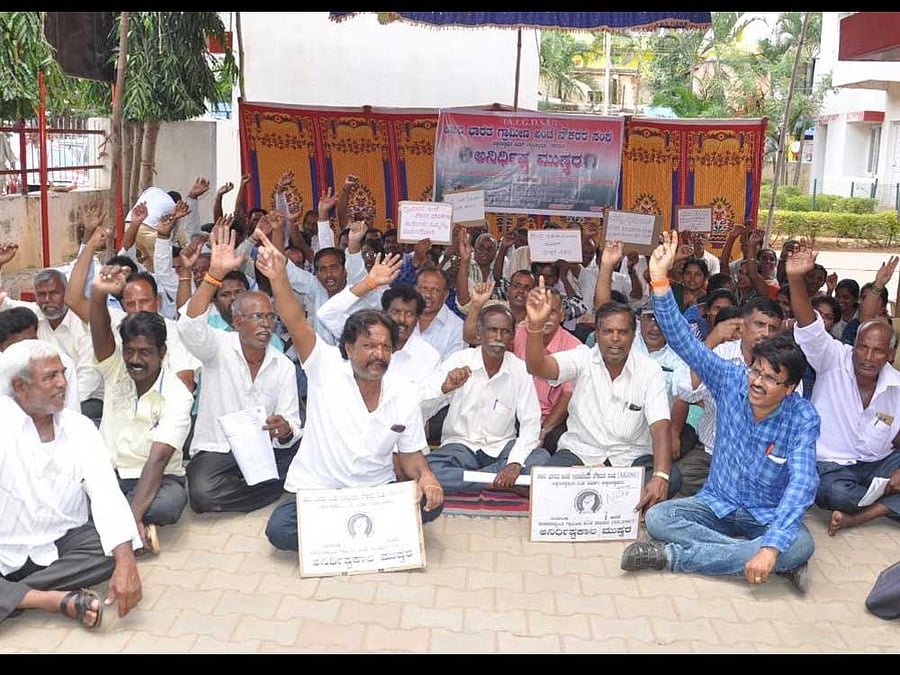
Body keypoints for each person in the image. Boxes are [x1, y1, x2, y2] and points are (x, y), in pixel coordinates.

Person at [621, 231, 820, 595]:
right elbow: (684, 342)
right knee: (661, 516)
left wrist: (773, 543)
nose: (757, 382)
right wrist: (661, 281)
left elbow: (803, 484)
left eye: (771, 379)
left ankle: (672, 558)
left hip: (766, 514)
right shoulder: (732, 379)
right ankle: (767, 561)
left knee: (800, 543)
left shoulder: (803, 417)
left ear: (790, 388)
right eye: (756, 371)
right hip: (717, 504)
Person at [248, 233, 443, 552]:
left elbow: (410, 454)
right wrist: (279, 277)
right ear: (349, 348)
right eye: (368, 346)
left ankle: (344, 533)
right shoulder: (324, 367)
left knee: (433, 503)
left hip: (373, 490)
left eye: (384, 346)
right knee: (280, 530)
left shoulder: (403, 391)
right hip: (319, 490)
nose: (377, 354)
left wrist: (427, 477)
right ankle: (364, 533)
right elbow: (296, 321)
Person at [0, 340, 143, 629]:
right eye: (50, 377)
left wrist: (126, 561)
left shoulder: (80, 428)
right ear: (20, 386)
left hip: (62, 543)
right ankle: (50, 600)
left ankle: (16, 595)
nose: (62, 383)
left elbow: (106, 494)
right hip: (4, 546)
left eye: (63, 373)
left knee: (111, 549)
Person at [523, 271, 677, 512]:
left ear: (632, 335)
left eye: (622, 332)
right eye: (607, 332)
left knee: (671, 478)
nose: (615, 339)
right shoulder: (582, 358)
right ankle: (617, 498)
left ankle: (610, 493)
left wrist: (660, 475)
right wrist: (535, 325)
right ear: (597, 333)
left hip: (631, 458)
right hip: (581, 452)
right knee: (546, 481)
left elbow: (660, 426)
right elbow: (538, 366)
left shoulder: (650, 370)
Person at [177, 222, 302, 514]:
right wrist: (214, 275)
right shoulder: (217, 347)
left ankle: (260, 483)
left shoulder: (282, 365)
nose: (266, 324)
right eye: (256, 317)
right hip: (220, 447)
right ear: (237, 322)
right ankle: (270, 488)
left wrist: (284, 429)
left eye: (270, 318)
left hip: (266, 449)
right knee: (202, 497)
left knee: (306, 454)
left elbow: (293, 422)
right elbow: (189, 327)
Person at [787, 242, 900, 535]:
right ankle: (883, 499)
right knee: (835, 495)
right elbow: (808, 323)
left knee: (860, 492)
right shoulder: (832, 357)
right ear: (853, 345)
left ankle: (857, 516)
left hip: (878, 463)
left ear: (889, 355)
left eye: (877, 352)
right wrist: (795, 278)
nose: (867, 357)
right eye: (862, 348)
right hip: (833, 468)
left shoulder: (897, 386)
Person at [88, 265, 195, 554]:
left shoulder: (177, 394)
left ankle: (117, 520)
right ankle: (124, 521)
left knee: (168, 506)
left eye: (145, 352)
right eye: (129, 351)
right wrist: (98, 294)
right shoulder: (115, 370)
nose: (135, 360)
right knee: (76, 495)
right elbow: (99, 334)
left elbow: (158, 461)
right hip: (111, 474)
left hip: (156, 478)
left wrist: (130, 519)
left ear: (162, 353)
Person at [423, 303, 549, 493]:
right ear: (479, 334)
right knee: (427, 468)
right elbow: (422, 408)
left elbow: (531, 423)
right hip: (460, 447)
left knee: (541, 458)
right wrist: (444, 388)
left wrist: (514, 463)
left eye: (505, 331)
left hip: (501, 448)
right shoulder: (460, 361)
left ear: (512, 337)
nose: (498, 338)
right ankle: (499, 483)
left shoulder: (520, 369)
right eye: (492, 330)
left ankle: (469, 480)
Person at [674, 295, 786, 497]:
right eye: (759, 324)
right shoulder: (719, 352)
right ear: (741, 326)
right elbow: (685, 391)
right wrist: (712, 340)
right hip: (710, 455)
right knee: (678, 478)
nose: (766, 333)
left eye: (773, 328)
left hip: (757, 461)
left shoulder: (786, 366)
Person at [0, 260, 103, 421]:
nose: (47, 300)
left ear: (67, 293)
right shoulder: (35, 316)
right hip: (43, 396)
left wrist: (51, 405)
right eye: (41, 294)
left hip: (87, 398)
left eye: (54, 293)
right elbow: (4, 303)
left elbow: (87, 381)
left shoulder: (83, 326)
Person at [414, 266, 466, 360]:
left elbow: (452, 367)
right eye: (424, 288)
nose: (428, 295)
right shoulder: (402, 317)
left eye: (435, 290)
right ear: (415, 290)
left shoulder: (458, 328)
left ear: (445, 295)